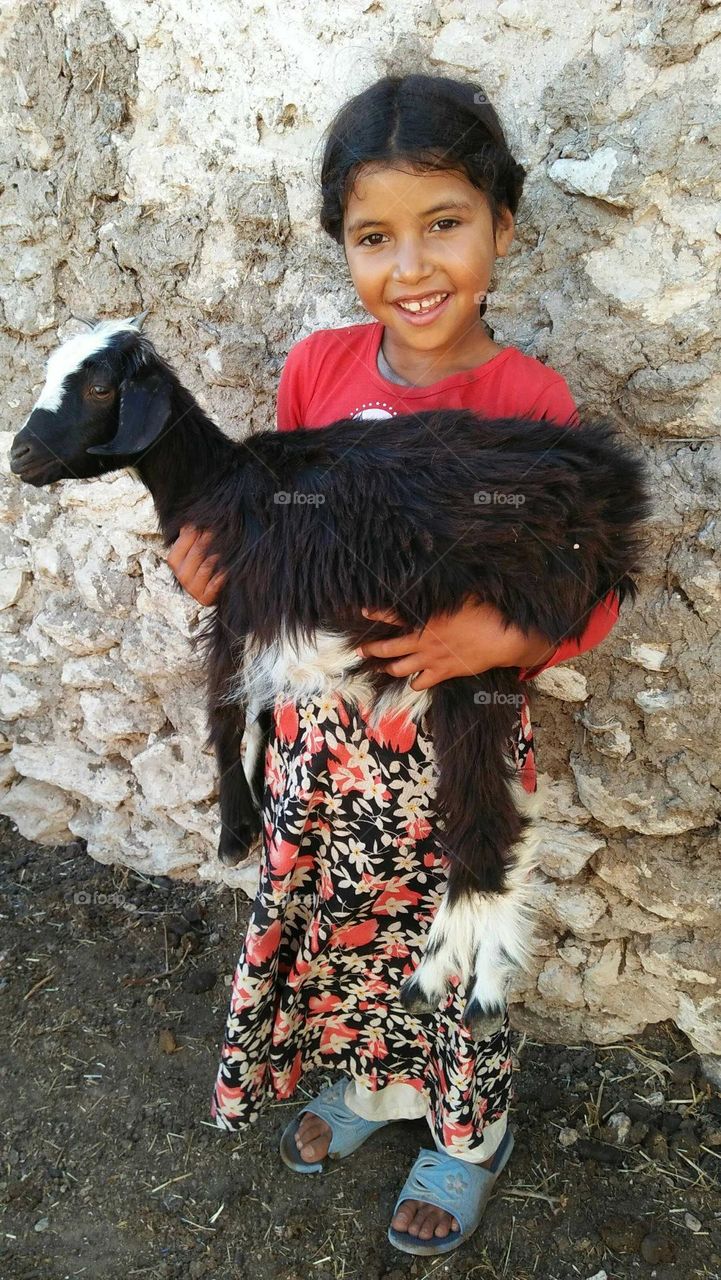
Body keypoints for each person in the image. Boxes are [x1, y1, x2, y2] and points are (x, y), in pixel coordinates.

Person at [168, 73, 621, 1257]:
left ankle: (468, 1130)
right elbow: (288, 527)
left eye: (444, 224)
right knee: (348, 925)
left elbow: (594, 578)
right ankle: (373, 1088)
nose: (411, 266)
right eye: (375, 236)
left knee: (451, 939)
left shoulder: (527, 401)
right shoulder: (316, 376)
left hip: (452, 751)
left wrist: (506, 640)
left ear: (501, 227)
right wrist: (220, 565)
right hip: (328, 742)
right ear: (344, 247)